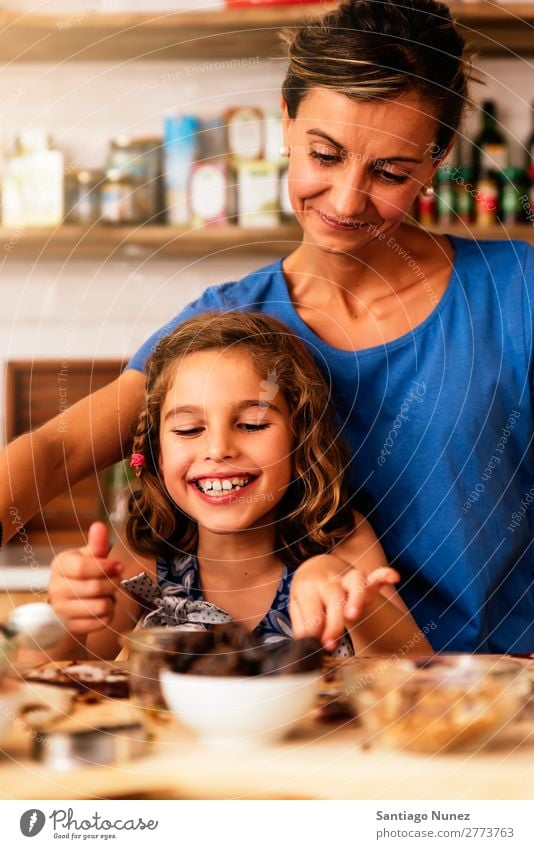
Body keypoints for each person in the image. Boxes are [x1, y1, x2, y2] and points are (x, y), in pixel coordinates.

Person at [2, 0, 533, 652]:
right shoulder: (224, 326)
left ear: (438, 156)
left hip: (504, 696)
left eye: (390, 172)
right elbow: (57, 449)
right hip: (323, 703)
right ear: (286, 121)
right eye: (324, 154)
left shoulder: (518, 291)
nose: (345, 200)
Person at [47, 312, 429, 660]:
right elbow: (73, 668)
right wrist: (75, 611)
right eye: (189, 430)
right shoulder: (148, 549)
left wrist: (353, 599)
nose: (218, 449)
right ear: (158, 454)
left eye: (251, 425)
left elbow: (413, 671)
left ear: (301, 442)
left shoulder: (340, 539)